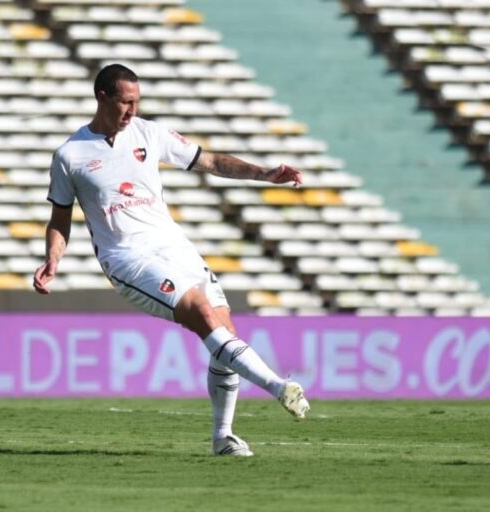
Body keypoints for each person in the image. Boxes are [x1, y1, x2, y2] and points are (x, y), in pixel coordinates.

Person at [33, 63, 310, 457]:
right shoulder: (70, 155)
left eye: (136, 101)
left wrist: (265, 173)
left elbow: (210, 161)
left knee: (224, 329)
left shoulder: (149, 133)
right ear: (103, 98)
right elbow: (60, 217)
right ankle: (277, 386)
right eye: (126, 102)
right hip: (127, 256)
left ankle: (223, 436)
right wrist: (52, 259)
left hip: (173, 246)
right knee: (201, 312)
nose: (132, 110)